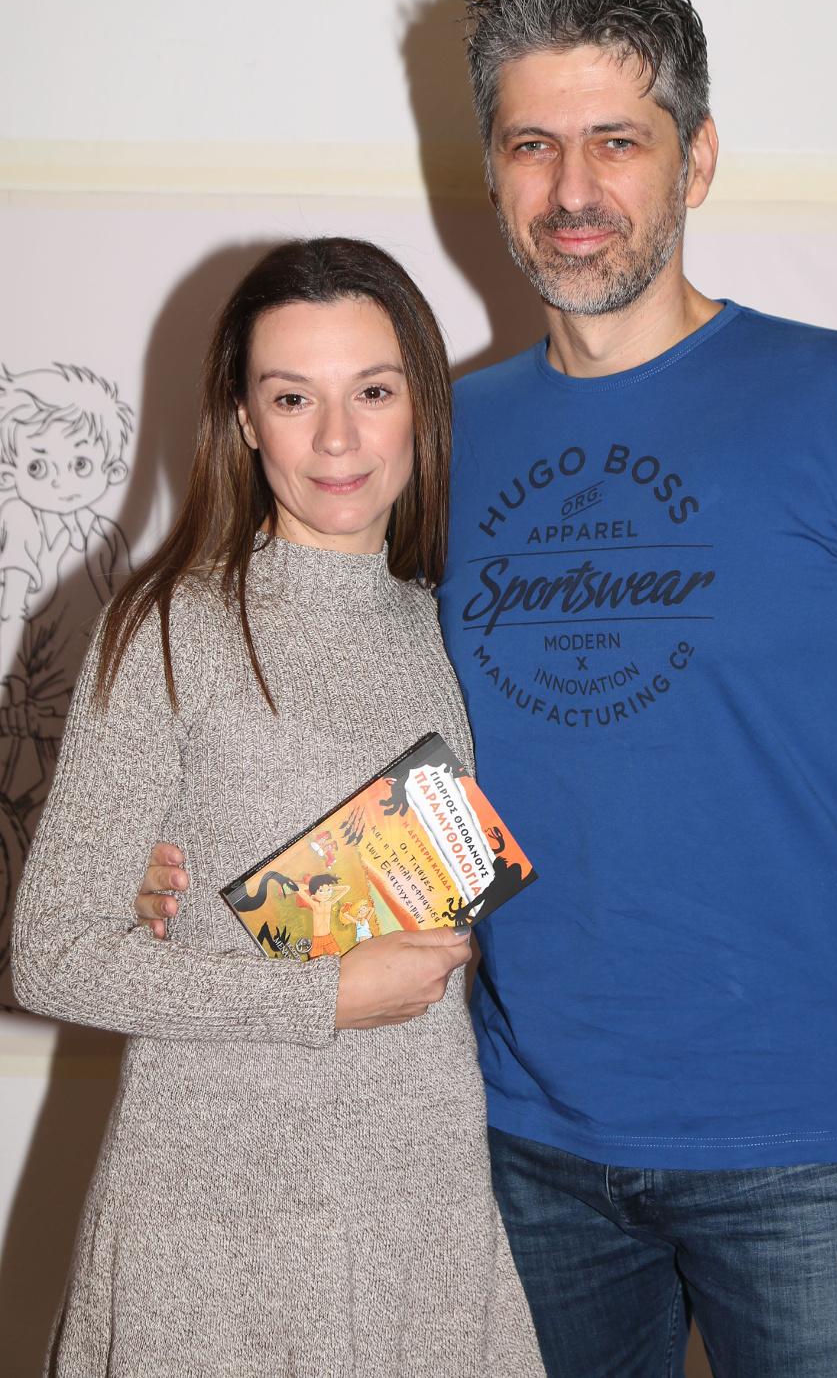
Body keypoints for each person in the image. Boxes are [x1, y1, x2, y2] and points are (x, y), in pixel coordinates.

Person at [138, 0, 837, 1378]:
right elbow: (347, 706)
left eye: (617, 140)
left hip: (815, 1151)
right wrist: (187, 879)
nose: (571, 189)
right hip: (518, 1143)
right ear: (490, 174)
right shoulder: (437, 437)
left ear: (696, 158)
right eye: (531, 145)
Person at [13, 238, 544, 1377]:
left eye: (374, 391)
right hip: (213, 1226)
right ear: (245, 420)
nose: (337, 439)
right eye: (294, 398)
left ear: (422, 404)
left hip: (422, 1203)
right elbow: (49, 954)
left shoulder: (447, 621)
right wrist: (324, 995)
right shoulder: (171, 625)